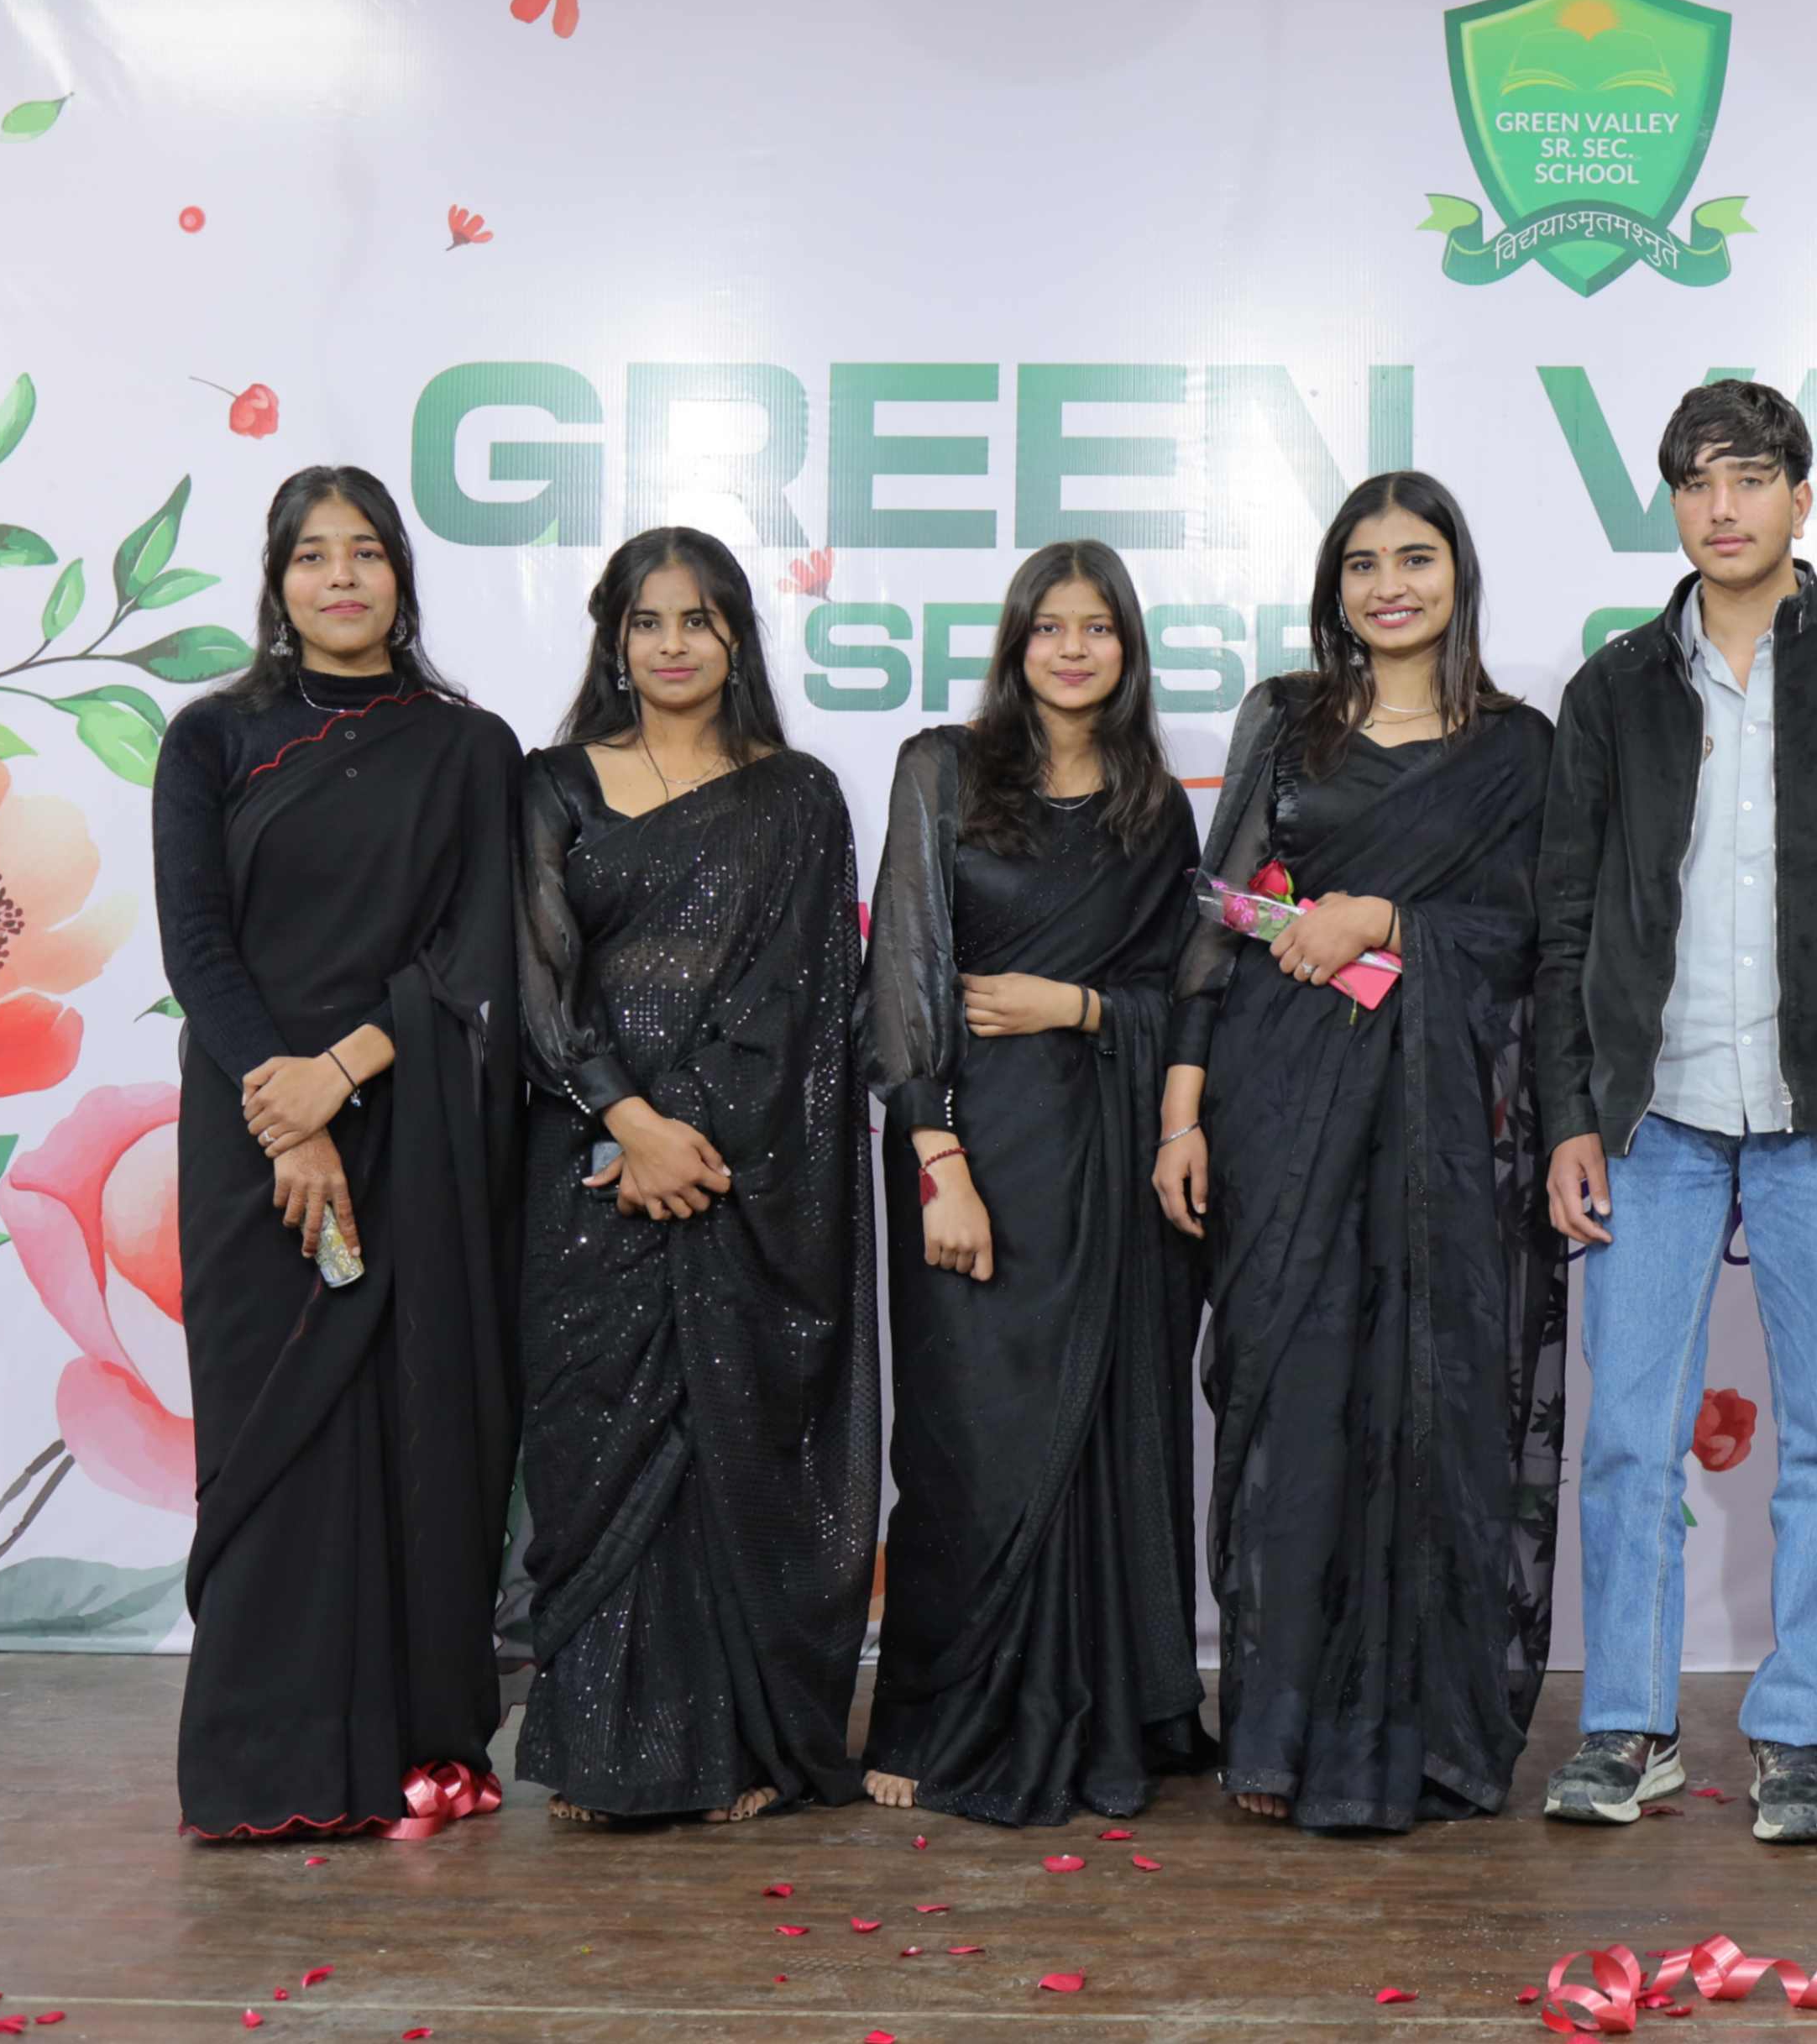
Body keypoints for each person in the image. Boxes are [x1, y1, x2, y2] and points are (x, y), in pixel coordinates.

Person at [1531, 380, 1817, 1844]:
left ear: (1800, 498)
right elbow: (1563, 921)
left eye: (1751, 477)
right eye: (1697, 482)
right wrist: (1569, 1112)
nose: (1723, 506)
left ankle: (1801, 1737)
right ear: (1672, 503)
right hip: (1656, 1117)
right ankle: (1627, 1725)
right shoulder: (1615, 687)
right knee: (1629, 1438)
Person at [1155, 470, 1563, 1831]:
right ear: (1333, 588)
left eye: (1416, 558)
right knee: (1293, 1400)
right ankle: (1275, 1736)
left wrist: (1389, 918)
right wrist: (1181, 1113)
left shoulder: (1516, 748)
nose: (1390, 585)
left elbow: (1532, 937)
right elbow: (1217, 918)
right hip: (1278, 1111)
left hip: (1438, 1140)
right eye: (1363, 564)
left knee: (1432, 1408)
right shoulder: (1286, 721)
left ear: (1458, 574)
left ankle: (1426, 1736)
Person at [154, 464, 521, 1841]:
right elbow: (199, 945)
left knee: (415, 1425)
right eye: (313, 556)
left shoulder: (467, 747)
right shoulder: (213, 739)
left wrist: (341, 1076)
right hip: (249, 1134)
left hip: (408, 1128)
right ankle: (266, 1767)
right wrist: (285, 1106)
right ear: (278, 581)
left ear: (401, 576)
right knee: (273, 1430)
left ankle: (414, 1749)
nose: (342, 578)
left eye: (365, 552)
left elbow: (476, 955)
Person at [512, 528, 877, 1825]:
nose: (673, 644)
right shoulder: (552, 784)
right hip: (585, 1172)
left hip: (740, 1179)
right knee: (596, 1452)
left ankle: (739, 1751)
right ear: (614, 638)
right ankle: (605, 1752)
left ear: (736, 638)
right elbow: (536, 982)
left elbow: (805, 1006)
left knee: (736, 1453)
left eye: (699, 620)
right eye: (648, 621)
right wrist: (626, 1123)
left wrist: (685, 1137)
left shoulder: (798, 798)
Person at [859, 541, 1211, 1824]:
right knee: (965, 1442)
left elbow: (1186, 995)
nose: (1072, 648)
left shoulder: (1153, 809)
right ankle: (943, 1718)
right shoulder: (943, 771)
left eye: (1097, 627)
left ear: (1127, 648)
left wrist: (1079, 1006)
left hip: (1107, 1168)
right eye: (1049, 626)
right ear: (1015, 644)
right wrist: (936, 1159)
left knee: (1103, 1438)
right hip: (973, 1155)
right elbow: (902, 980)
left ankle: (1102, 1705)